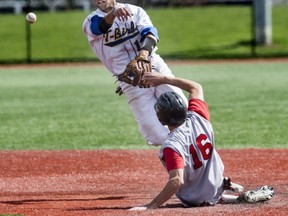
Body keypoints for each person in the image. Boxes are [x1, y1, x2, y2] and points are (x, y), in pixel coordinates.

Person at [129, 73, 274, 210]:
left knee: (190, 180)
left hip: (194, 199)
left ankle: (216, 193)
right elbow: (195, 87)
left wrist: (152, 205)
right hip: (215, 182)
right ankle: (232, 196)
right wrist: (164, 79)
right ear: (184, 110)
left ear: (161, 120)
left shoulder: (172, 146)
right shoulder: (199, 117)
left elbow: (177, 180)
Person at [82, 0, 188, 146]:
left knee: (182, 112)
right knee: (156, 136)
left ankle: (193, 157)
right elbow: (99, 27)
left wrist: (143, 56)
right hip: (130, 81)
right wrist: (113, 14)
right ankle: (177, 154)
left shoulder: (135, 11)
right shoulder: (90, 22)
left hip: (155, 67)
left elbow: (151, 34)